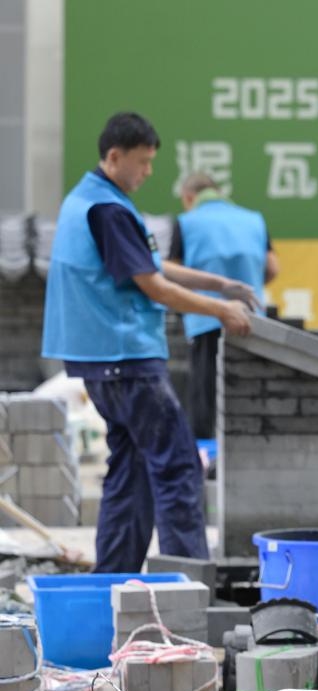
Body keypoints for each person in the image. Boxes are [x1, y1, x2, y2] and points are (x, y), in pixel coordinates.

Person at [41, 112, 259, 572]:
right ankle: (191, 586)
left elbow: (155, 266)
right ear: (115, 156)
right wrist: (222, 311)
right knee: (179, 467)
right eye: (142, 162)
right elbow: (154, 286)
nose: (148, 172)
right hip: (127, 360)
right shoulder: (108, 210)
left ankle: (114, 579)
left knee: (132, 470)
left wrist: (222, 284)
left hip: (100, 363)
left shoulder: (90, 200)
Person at [166, 172, 278, 439]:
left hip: (206, 320)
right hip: (251, 322)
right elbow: (273, 267)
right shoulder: (254, 219)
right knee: (249, 397)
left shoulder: (186, 222)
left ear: (189, 197)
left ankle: (209, 465)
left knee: (206, 400)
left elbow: (172, 272)